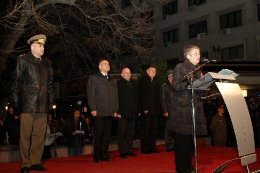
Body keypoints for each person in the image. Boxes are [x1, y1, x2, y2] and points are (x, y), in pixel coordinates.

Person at [10, 34, 54, 173]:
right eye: (40, 46)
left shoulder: (47, 63)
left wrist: (50, 102)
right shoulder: (23, 61)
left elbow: (51, 85)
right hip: (28, 104)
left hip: (42, 105)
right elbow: (15, 83)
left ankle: (35, 162)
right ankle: (25, 164)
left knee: (39, 136)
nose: (43, 48)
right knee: (25, 136)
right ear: (32, 47)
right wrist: (15, 101)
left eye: (43, 46)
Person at [171, 45, 207, 173]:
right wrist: (190, 82)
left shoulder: (198, 70)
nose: (199, 56)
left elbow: (199, 91)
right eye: (196, 53)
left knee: (192, 144)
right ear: (188, 56)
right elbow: (176, 86)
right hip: (183, 110)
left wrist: (204, 83)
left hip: (195, 109)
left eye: (199, 53)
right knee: (182, 144)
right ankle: (182, 169)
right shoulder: (180, 67)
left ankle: (188, 166)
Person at [87, 60, 119, 163]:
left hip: (110, 111)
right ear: (99, 67)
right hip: (99, 111)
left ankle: (104, 154)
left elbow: (115, 97)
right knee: (99, 133)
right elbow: (91, 94)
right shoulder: (94, 78)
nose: (108, 65)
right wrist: (93, 108)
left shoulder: (112, 80)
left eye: (109, 64)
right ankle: (97, 155)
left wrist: (115, 109)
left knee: (107, 134)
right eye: (105, 64)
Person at [117, 68, 139, 158]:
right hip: (122, 112)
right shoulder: (118, 84)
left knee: (130, 133)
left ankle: (129, 150)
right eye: (126, 73)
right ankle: (122, 152)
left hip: (133, 112)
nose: (128, 74)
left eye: (129, 72)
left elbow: (137, 98)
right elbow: (117, 99)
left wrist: (138, 109)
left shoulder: (133, 84)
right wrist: (117, 111)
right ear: (122, 74)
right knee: (121, 133)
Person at [138, 66, 161, 154]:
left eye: (155, 71)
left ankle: (152, 147)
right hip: (147, 110)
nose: (154, 72)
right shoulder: (143, 81)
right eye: (152, 70)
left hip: (155, 110)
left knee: (153, 129)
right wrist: (144, 107)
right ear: (147, 72)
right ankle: (145, 148)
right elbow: (141, 95)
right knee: (146, 129)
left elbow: (158, 97)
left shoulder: (156, 82)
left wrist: (158, 109)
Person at [160, 70, 174, 152]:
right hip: (169, 110)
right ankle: (169, 145)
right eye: (172, 77)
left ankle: (175, 144)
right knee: (169, 128)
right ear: (169, 78)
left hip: (176, 111)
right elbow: (163, 100)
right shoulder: (164, 87)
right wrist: (165, 111)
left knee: (175, 129)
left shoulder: (176, 86)